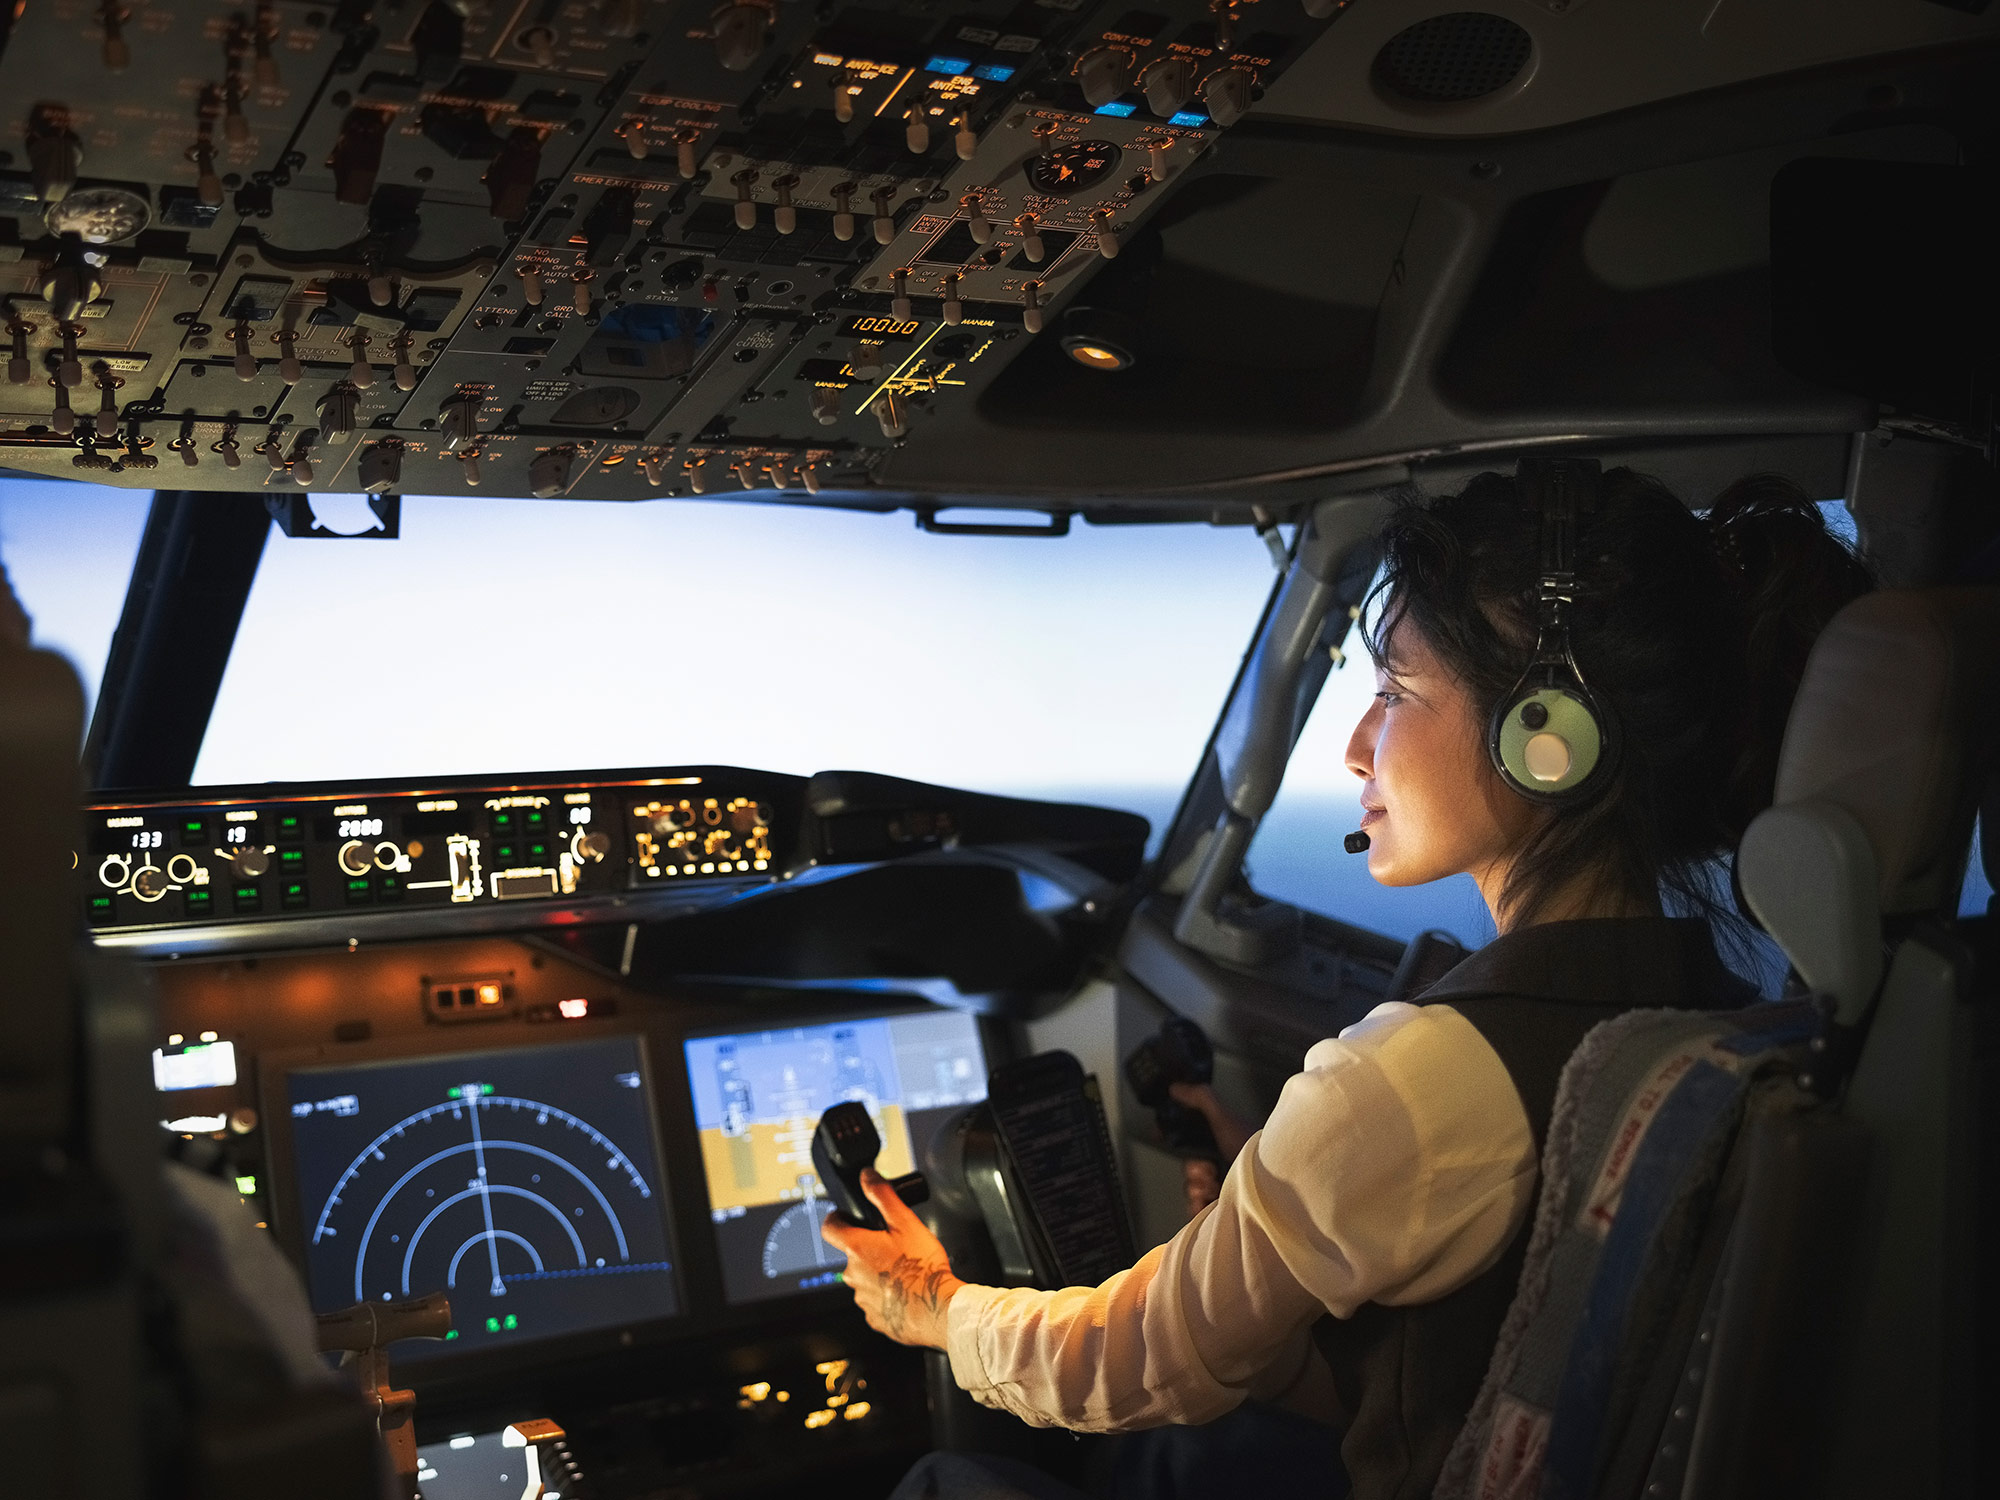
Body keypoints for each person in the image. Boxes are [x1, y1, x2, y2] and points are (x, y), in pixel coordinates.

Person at [823, 469, 1873, 1500]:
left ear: (1545, 737)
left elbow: (1125, 1360)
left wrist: (932, 1301)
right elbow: (1472, 1370)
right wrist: (1285, 1235)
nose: (1355, 747)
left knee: (944, 1480)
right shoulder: (1715, 1015)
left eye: (1392, 692)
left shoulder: (1418, 1077)